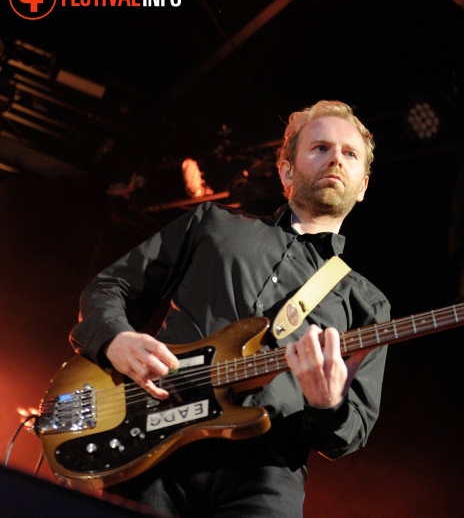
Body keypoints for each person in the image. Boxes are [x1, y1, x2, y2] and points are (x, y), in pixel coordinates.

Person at [68, 100, 391, 517]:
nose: (335, 159)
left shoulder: (367, 301)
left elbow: (351, 432)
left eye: (349, 154)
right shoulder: (214, 224)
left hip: (266, 474)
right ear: (287, 172)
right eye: (320, 148)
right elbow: (111, 286)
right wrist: (115, 338)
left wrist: (328, 404)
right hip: (154, 443)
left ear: (363, 186)